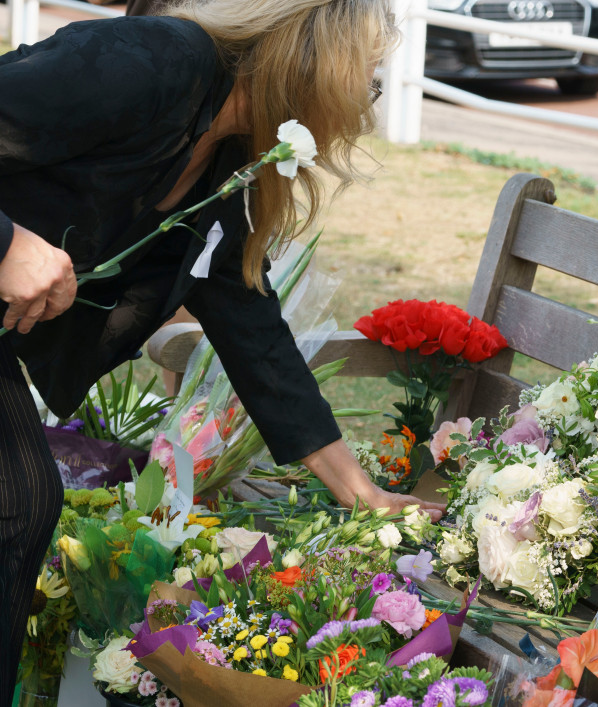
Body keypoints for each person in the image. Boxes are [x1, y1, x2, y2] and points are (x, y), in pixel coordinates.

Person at [0, 1, 446, 702]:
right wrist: (8, 243)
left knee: (23, 501)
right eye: (368, 70)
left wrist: (361, 494)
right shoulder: (154, 63)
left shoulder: (228, 158)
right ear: (314, 57)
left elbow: (251, 326)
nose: (369, 95)